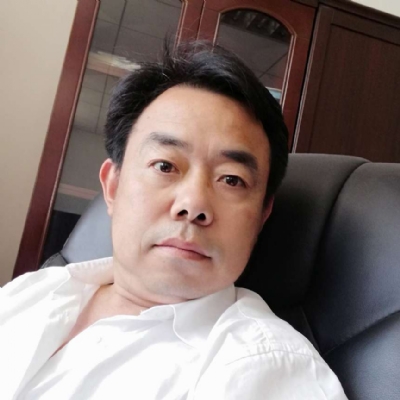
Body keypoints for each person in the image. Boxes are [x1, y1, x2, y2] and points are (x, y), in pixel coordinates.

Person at [0, 41, 348, 399]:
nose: (193, 204)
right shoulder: (34, 291)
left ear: (262, 216)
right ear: (113, 187)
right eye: (165, 166)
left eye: (231, 179)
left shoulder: (262, 369)